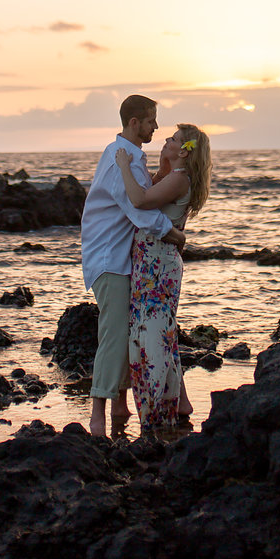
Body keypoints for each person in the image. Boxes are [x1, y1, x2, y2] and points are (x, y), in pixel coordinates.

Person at [80, 95, 186, 437]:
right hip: (109, 259)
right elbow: (138, 209)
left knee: (126, 332)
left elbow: (144, 193)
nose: (156, 126)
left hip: (121, 259)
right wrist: (173, 234)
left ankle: (120, 404)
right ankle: (98, 413)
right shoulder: (120, 158)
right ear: (135, 122)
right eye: (152, 119)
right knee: (113, 335)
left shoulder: (132, 157)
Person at [116, 122, 211, 431]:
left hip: (157, 265)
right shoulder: (175, 176)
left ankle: (158, 410)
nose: (166, 139)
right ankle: (175, 404)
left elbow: (140, 200)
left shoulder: (181, 179)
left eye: (173, 139)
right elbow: (153, 190)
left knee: (154, 336)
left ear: (185, 150)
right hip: (153, 263)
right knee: (157, 333)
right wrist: (163, 163)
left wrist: (123, 167)